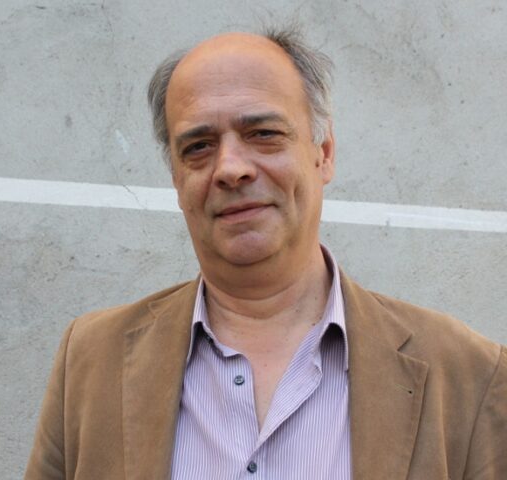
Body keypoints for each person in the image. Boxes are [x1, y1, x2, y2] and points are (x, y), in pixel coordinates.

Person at [26, 26, 506, 479]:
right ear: (176, 178)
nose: (230, 168)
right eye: (199, 146)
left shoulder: (467, 375)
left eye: (263, 134)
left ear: (324, 153)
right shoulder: (91, 360)